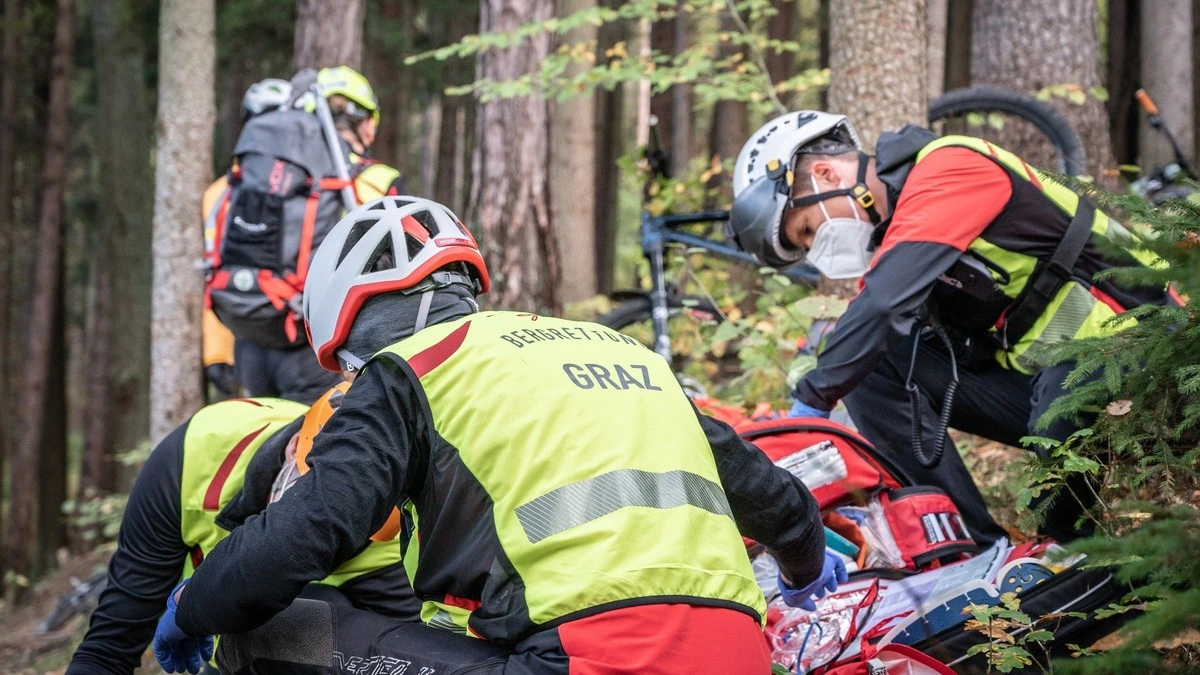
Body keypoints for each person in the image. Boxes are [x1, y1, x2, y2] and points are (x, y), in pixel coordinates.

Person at [154, 196, 834, 675]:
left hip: (581, 661)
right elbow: (779, 502)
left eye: (352, 369)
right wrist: (806, 570)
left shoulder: (409, 372)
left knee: (266, 633)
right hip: (741, 656)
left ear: (357, 324)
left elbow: (299, 536)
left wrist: (193, 608)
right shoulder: (624, 354)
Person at [727, 111, 1180, 545]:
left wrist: (809, 403)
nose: (814, 246)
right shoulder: (901, 233)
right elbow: (869, 328)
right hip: (1058, 376)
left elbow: (882, 304)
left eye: (806, 230)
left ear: (826, 175)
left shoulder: (952, 167)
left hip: (1148, 341)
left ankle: (1081, 553)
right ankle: (976, 551)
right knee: (872, 365)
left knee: (1056, 410)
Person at [67, 389, 418, 675]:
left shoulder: (392, 533)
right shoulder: (192, 462)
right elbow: (109, 647)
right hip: (203, 619)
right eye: (312, 501)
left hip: (286, 632)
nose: (318, 526)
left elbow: (413, 650)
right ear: (294, 448)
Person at [203, 68, 408, 404]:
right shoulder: (375, 181)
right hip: (320, 351)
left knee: (266, 447)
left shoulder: (239, 183)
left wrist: (216, 354)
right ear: (364, 121)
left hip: (250, 343)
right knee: (318, 452)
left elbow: (220, 258)